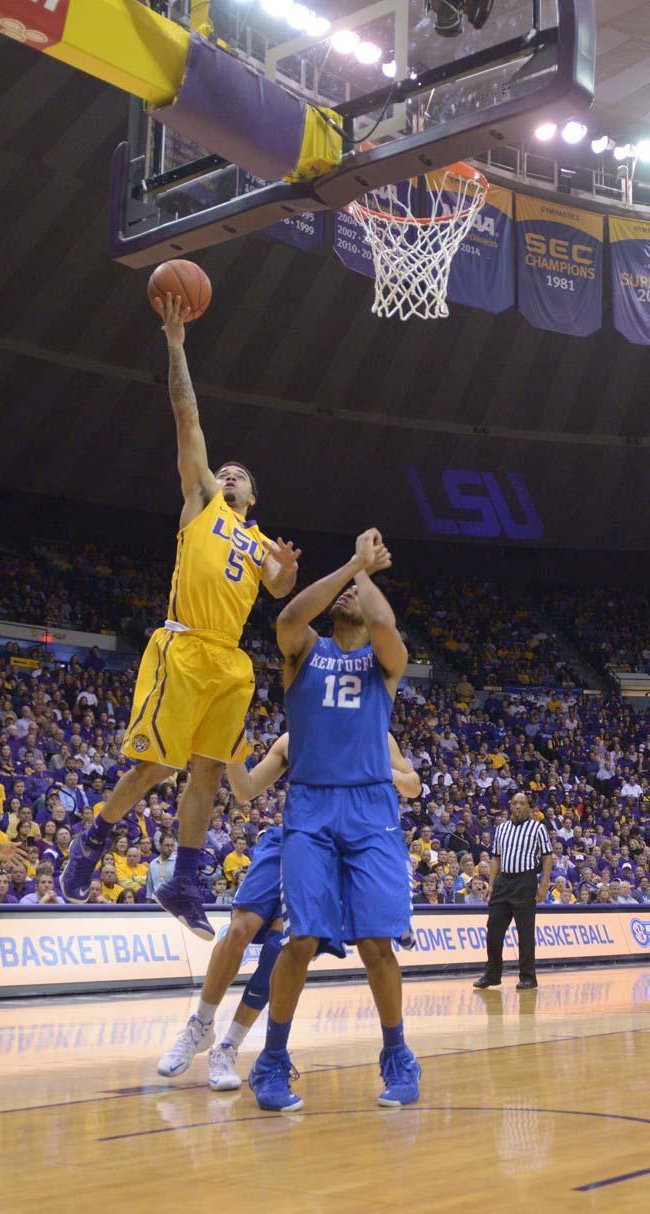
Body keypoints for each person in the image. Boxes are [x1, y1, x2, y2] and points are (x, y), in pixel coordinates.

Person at [61, 293, 299, 935]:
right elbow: (186, 413)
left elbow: (278, 592)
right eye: (223, 471)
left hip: (230, 661)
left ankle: (186, 880)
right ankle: (92, 842)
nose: (228, 475)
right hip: (185, 646)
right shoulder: (201, 502)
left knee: (208, 772)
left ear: (256, 495)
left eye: (239, 475)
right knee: (156, 767)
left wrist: (292, 571)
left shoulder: (259, 543)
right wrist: (175, 344)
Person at [248, 529, 422, 1112]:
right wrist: (351, 564)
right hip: (313, 805)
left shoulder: (383, 665)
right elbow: (290, 614)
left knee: (378, 942)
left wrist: (366, 575)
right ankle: (271, 1059)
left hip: (371, 807)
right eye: (345, 589)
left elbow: (388, 628)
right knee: (301, 938)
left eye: (354, 590)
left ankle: (397, 1054)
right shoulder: (305, 651)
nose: (348, 594)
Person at [157, 727, 420, 1090]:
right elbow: (246, 790)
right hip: (293, 837)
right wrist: (231, 750)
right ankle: (199, 1025)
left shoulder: (373, 733)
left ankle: (229, 1047)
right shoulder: (295, 736)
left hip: (336, 845)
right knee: (238, 929)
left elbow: (413, 784)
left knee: (280, 948)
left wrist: (376, 770)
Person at [473, 794, 553, 992]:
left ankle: (528, 977)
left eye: (522, 804)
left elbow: (547, 858)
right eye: (514, 803)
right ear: (510, 806)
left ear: (529, 808)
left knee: (525, 932)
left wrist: (543, 884)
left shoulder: (538, 828)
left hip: (525, 881)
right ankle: (492, 975)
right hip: (503, 882)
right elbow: (496, 858)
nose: (518, 807)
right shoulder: (501, 829)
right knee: (493, 930)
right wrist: (491, 884)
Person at [145, 832, 177, 901]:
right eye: (167, 845)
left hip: (173, 902)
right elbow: (149, 888)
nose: (170, 848)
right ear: (160, 845)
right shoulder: (152, 864)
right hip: (155, 902)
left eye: (172, 845)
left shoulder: (178, 862)